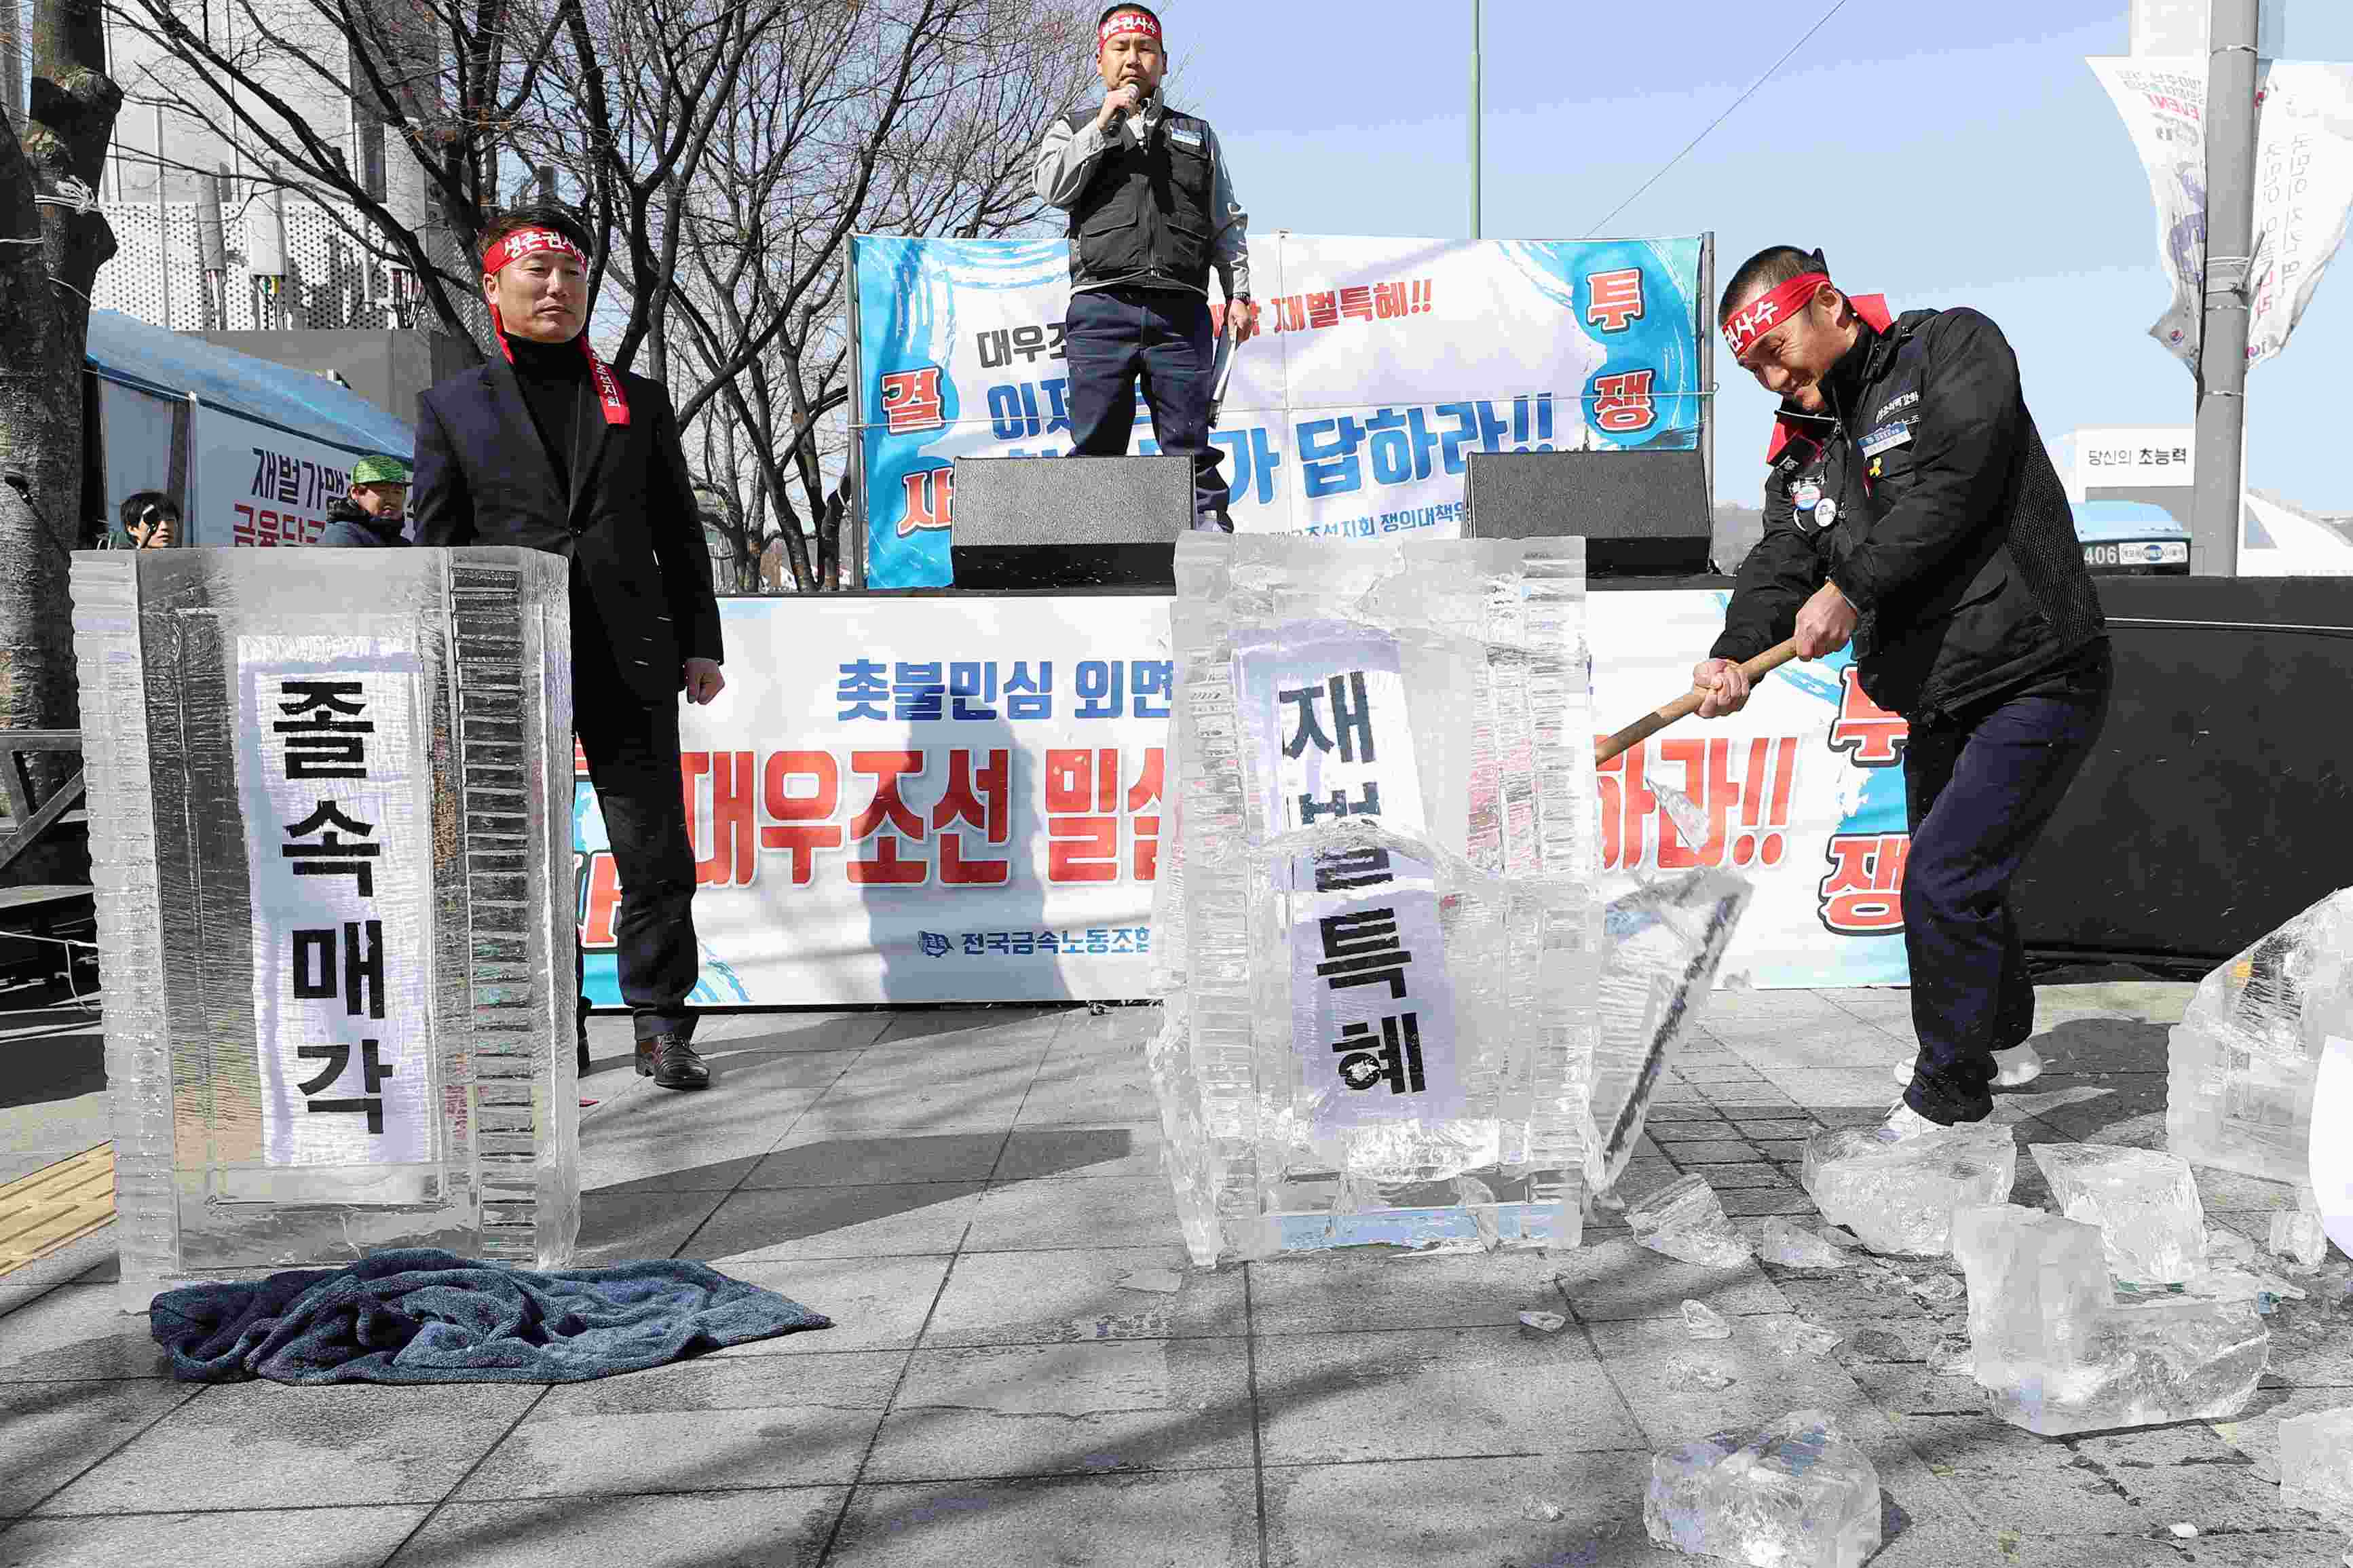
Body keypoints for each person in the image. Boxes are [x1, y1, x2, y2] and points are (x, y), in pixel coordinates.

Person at [1692, 246, 2110, 1135]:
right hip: (1938, 692)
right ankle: (1997, 1044)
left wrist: (1849, 589)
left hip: (2036, 669)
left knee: (1941, 876)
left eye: (1772, 350)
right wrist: (1732, 652)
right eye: (1749, 368)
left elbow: (1957, 484)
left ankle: (1945, 1097)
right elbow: (1780, 561)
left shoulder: (1952, 350)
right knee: (1961, 877)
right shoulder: (1805, 452)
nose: (1767, 376)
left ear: (1829, 306)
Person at [411, 204, 724, 1092]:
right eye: (537, 272)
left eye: (572, 274)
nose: (556, 288)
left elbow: (680, 532)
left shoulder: (636, 401)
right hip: (508, 663)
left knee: (654, 852)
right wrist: (442, 663)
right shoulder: (452, 408)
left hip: (631, 655)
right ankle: (552, 1031)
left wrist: (700, 643)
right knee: (524, 861)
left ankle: (663, 1026)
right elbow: (433, 547)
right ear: (494, 285)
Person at [1034, 3, 1256, 531]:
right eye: (1121, 48)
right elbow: (1051, 188)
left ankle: (1210, 546)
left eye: (1146, 49)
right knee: (1096, 445)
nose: (1134, 60)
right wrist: (1106, 123)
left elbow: (1225, 220)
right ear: (1101, 61)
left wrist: (1240, 293)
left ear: (1162, 61)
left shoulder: (1196, 135)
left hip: (1180, 312)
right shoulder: (1075, 126)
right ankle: (1089, 556)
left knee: (1189, 446)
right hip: (1100, 305)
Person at [316, 455, 413, 548]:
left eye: (397, 492)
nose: (392, 500)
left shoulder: (403, 544)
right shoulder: (341, 535)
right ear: (355, 492)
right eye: (382, 491)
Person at [114, 491, 179, 549]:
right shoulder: (119, 561)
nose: (165, 526)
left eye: (170, 520)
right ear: (132, 529)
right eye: (154, 520)